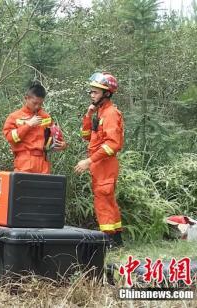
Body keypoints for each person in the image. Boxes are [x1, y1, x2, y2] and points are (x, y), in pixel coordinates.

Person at [74, 72, 124, 247]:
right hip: (99, 163)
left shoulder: (110, 114)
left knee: (103, 200)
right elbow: (86, 136)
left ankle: (108, 239)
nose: (92, 94)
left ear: (107, 93)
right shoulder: (100, 113)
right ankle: (116, 239)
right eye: (91, 91)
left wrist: (89, 161)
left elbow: (112, 144)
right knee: (107, 199)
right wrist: (88, 115)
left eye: (95, 92)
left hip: (105, 164)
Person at [3, 83, 67, 174]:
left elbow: (56, 138)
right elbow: (10, 138)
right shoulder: (14, 117)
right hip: (24, 162)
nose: (37, 106)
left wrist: (62, 145)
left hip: (43, 163)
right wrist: (28, 125)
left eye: (40, 104)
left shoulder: (46, 117)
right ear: (26, 98)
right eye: (34, 103)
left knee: (42, 187)